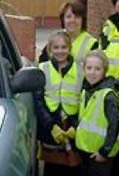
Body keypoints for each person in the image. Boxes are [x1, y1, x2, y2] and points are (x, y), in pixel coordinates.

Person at [35, 31, 83, 176]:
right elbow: (38, 100)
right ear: (50, 50)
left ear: (70, 48)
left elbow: (86, 102)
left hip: (72, 126)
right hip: (50, 127)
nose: (60, 51)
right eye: (56, 47)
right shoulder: (43, 68)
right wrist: (51, 126)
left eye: (64, 47)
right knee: (52, 169)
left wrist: (76, 126)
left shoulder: (81, 70)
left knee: (73, 168)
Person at [75, 50, 119, 176]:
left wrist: (104, 152)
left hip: (100, 155)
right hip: (85, 150)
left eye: (97, 69)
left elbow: (114, 126)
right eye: (89, 68)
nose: (92, 72)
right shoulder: (86, 90)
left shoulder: (109, 95)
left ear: (104, 71)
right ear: (84, 69)